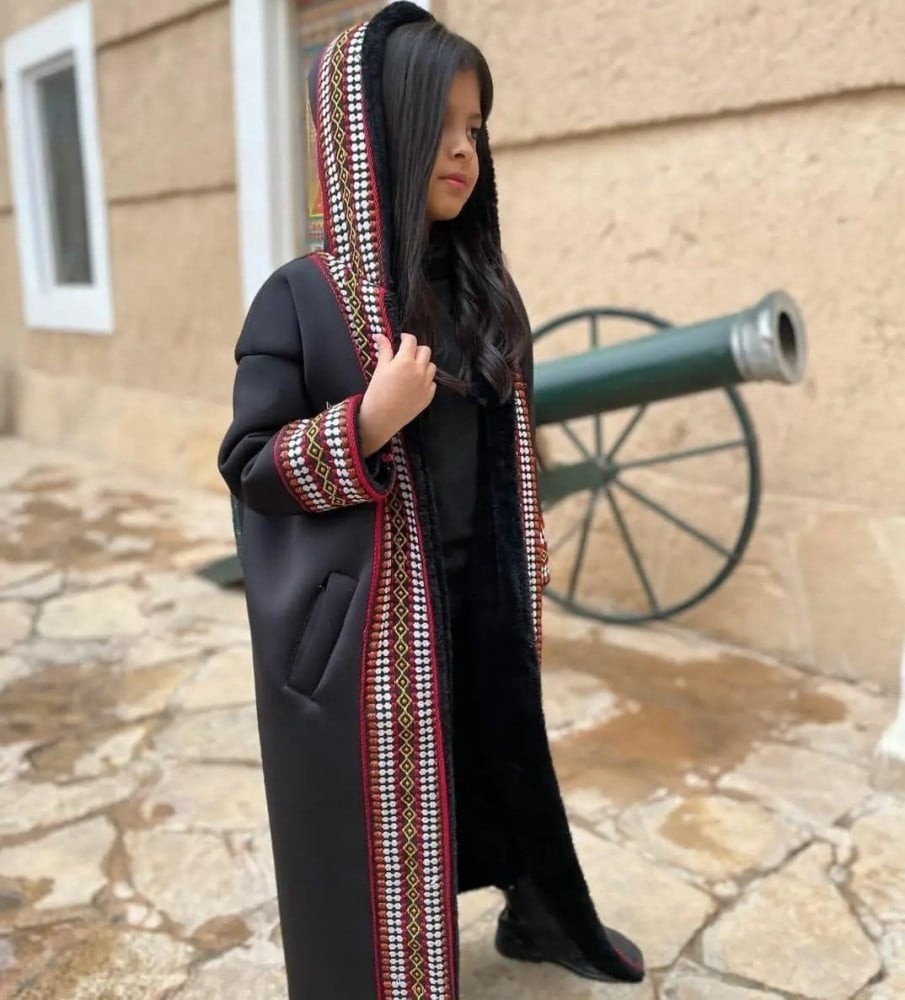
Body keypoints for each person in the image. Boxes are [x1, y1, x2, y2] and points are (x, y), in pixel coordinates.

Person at [217, 3, 644, 998]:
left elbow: (500, 444)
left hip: (476, 597)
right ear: (377, 134)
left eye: (475, 127)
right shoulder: (302, 298)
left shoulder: (482, 290)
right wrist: (364, 423)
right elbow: (249, 463)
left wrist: (523, 531)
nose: (463, 149)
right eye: (440, 125)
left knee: (492, 758)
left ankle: (537, 910)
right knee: (380, 815)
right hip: (365, 626)